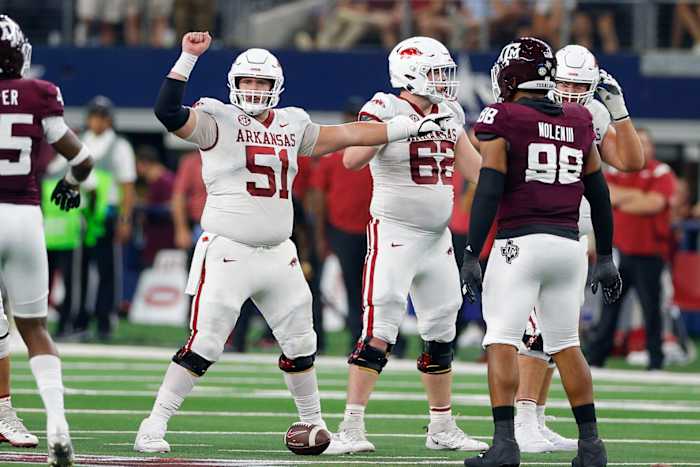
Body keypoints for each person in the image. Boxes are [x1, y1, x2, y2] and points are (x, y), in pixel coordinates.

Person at [133, 31, 451, 453]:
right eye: (247, 82)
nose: (254, 89)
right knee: (206, 342)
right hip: (229, 248)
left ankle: (315, 426)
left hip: (279, 251)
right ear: (234, 84)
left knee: (302, 342)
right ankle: (154, 423)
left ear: (276, 87)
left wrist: (402, 128)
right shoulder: (217, 119)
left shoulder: (292, 122)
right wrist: (188, 58)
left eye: (262, 83)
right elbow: (168, 112)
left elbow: (347, 136)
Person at [460, 37, 622, 467]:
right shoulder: (579, 117)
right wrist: (604, 255)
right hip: (570, 246)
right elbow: (599, 193)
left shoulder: (503, 116)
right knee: (567, 345)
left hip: (521, 244)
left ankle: (504, 445)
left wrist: (473, 250)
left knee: (501, 341)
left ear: (511, 76)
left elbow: (490, 186)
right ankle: (591, 446)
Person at [327, 36, 484, 455]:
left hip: (438, 238)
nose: (443, 81)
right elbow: (351, 159)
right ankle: (351, 426)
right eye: (436, 72)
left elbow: (476, 170)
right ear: (410, 73)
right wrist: (400, 130)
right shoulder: (385, 107)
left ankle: (442, 426)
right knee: (380, 329)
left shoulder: (449, 111)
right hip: (394, 232)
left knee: (441, 331)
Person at [513, 43, 644, 453]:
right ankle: (522, 417)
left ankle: (535, 415)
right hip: (540, 221)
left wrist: (619, 109)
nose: (570, 91)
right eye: (565, 81)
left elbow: (630, 162)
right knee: (537, 329)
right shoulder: (531, 107)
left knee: (559, 331)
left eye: (580, 84)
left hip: (575, 230)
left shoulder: (596, 113)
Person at [0, 15, 95, 466]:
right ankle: (57, 421)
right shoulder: (41, 94)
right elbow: (83, 158)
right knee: (34, 327)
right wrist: (73, 185)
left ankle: (4, 409)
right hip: (25, 216)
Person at [586, 128, 677, 371]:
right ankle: (597, 358)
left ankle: (655, 360)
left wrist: (626, 199)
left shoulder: (661, 171)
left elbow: (654, 203)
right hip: (619, 251)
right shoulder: (617, 169)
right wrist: (638, 196)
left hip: (650, 252)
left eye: (646, 143)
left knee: (651, 308)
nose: (643, 147)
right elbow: (608, 196)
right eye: (640, 143)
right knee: (609, 306)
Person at [308, 97, 372, 351]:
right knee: (353, 287)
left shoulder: (374, 150)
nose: (353, 121)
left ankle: (385, 339)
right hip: (343, 230)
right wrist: (322, 235)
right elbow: (318, 197)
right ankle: (357, 337)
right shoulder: (331, 157)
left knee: (377, 288)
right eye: (350, 116)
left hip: (373, 228)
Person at [73, 96, 136, 341]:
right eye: (94, 116)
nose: (98, 121)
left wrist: (124, 219)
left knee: (107, 271)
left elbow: (127, 186)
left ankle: (104, 321)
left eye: (102, 117)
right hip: (82, 216)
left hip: (107, 215)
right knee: (78, 271)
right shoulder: (80, 142)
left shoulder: (119, 146)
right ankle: (78, 319)